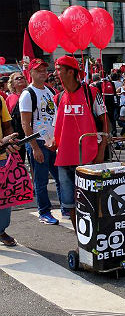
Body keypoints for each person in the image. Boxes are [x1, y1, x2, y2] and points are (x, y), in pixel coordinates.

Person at [53, 55, 107, 229]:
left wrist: (100, 151)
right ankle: (81, 242)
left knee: (92, 204)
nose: (55, 73)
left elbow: (105, 122)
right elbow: (58, 127)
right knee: (70, 207)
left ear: (70, 72)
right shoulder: (59, 97)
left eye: (58, 69)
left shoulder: (91, 93)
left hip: (88, 159)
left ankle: (96, 238)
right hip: (64, 160)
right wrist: (53, 144)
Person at [20, 59, 64, 224]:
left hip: (53, 142)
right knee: (41, 181)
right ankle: (44, 212)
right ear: (30, 73)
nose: (43, 73)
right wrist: (34, 148)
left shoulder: (50, 90)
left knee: (60, 177)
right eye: (39, 70)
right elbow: (26, 123)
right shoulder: (28, 94)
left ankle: (65, 208)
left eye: (45, 70)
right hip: (38, 142)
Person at [0, 99, 19, 247]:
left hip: (1, 158)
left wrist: (8, 142)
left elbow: (7, 126)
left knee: (5, 200)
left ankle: (0, 230)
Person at [6, 72, 28, 161]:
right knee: (20, 159)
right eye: (17, 78)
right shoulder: (10, 98)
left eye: (22, 77)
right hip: (17, 133)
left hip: (29, 130)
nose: (20, 79)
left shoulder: (29, 94)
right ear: (12, 84)